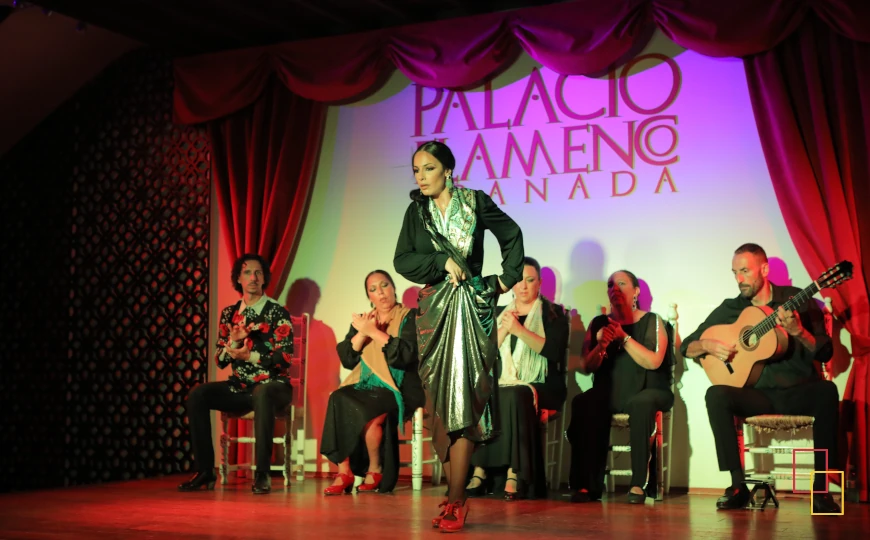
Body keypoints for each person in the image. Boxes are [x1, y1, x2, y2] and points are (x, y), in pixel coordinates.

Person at [394, 141, 524, 532]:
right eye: (416, 169)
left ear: (448, 171)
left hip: (472, 309)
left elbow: (512, 233)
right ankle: (455, 494)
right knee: (436, 404)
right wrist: (439, 260)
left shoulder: (474, 202)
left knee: (463, 400)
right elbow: (402, 259)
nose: (420, 176)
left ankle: (456, 500)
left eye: (428, 168)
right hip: (434, 312)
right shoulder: (417, 211)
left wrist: (506, 278)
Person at [681, 243, 839, 512]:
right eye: (734, 273)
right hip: (759, 396)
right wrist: (708, 347)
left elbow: (825, 352)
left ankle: (821, 489)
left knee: (827, 391)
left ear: (764, 269)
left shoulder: (797, 299)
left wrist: (800, 332)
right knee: (716, 394)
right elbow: (687, 345)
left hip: (797, 390)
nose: (739, 279)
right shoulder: (731, 308)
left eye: (744, 271)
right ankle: (737, 485)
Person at [179, 254, 294, 495]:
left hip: (274, 385)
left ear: (264, 279)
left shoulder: (277, 312)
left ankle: (262, 474)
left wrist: (249, 356)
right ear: (238, 279)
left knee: (262, 392)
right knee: (198, 394)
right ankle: (205, 471)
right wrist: (233, 341)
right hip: (240, 386)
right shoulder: (230, 314)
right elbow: (220, 361)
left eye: (258, 273)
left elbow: (284, 360)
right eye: (247, 272)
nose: (253, 277)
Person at [566, 270, 674, 504]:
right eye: (610, 285)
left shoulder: (653, 320)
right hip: (612, 390)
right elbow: (587, 367)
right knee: (584, 402)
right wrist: (601, 345)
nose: (614, 289)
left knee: (641, 402)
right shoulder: (599, 323)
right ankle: (586, 485)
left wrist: (623, 338)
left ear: (635, 291)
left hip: (650, 388)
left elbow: (654, 362)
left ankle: (639, 483)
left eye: (622, 284)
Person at [466, 257, 568, 500]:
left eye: (530, 280)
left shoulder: (554, 314)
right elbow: (486, 357)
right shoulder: (499, 313)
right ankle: (479, 471)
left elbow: (553, 352)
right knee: (486, 392)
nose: (523, 286)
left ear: (539, 283)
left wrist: (519, 330)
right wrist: (504, 328)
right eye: (518, 281)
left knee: (514, 393)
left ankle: (516, 472)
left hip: (543, 384)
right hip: (505, 383)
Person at [320, 270, 424, 495]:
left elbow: (406, 356)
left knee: (368, 410)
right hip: (366, 384)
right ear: (369, 297)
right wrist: (362, 333)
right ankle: (344, 471)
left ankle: (376, 469)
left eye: (384, 285)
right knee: (338, 397)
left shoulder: (410, 317)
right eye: (373, 289)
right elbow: (348, 359)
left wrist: (374, 333)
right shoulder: (364, 320)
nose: (381, 293)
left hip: (399, 385)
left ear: (394, 288)